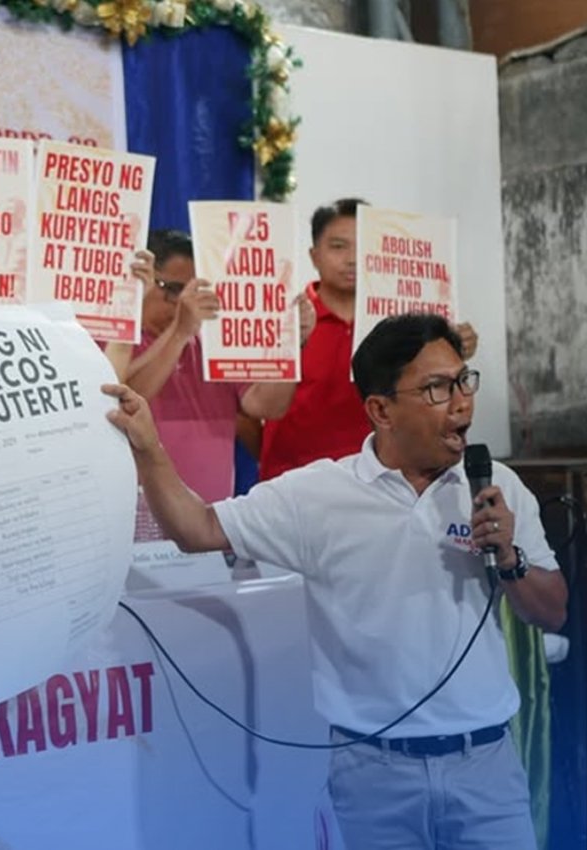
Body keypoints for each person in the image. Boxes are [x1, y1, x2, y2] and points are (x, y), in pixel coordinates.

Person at [105, 313, 567, 849]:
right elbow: (197, 528)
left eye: (464, 381)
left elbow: (552, 611)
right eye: (437, 388)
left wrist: (509, 558)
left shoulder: (497, 487)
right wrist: (149, 449)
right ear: (380, 410)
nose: (462, 402)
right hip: (372, 776)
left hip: (485, 768)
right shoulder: (318, 495)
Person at [260, 198, 478, 482]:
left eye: (362, 246)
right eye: (338, 246)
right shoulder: (284, 316)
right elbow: (246, 410)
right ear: (314, 256)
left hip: (382, 480)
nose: (352, 258)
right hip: (293, 480)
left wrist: (452, 349)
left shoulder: (403, 327)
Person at [121, 229, 314, 505]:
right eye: (175, 290)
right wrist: (180, 332)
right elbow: (125, 398)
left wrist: (289, 344)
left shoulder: (215, 341)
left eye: (197, 292)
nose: (187, 302)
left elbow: (265, 406)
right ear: (145, 281)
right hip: (137, 511)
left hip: (210, 516)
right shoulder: (114, 339)